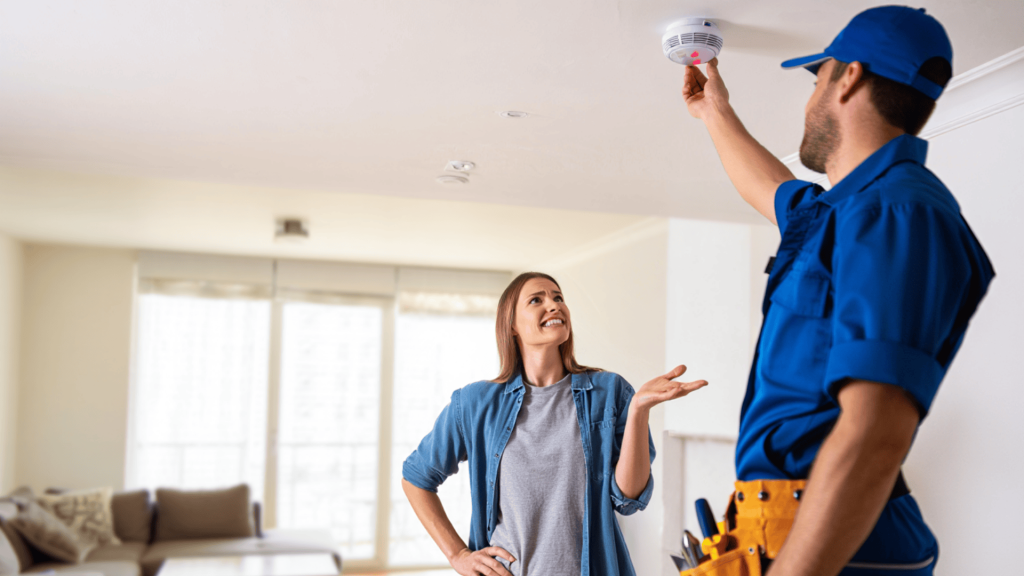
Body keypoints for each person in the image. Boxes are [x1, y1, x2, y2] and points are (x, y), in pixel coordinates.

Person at [681, 6, 993, 576]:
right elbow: (772, 188)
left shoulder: (899, 214)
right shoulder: (837, 212)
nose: (809, 102)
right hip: (782, 523)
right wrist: (714, 112)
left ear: (847, 76)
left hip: (834, 541)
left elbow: (875, 431)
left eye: (817, 78)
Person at [401, 272, 707, 576]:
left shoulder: (610, 392)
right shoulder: (474, 404)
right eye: (537, 300)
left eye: (558, 297)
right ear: (512, 326)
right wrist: (458, 554)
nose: (554, 305)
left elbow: (627, 499)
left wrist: (639, 410)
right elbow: (416, 478)